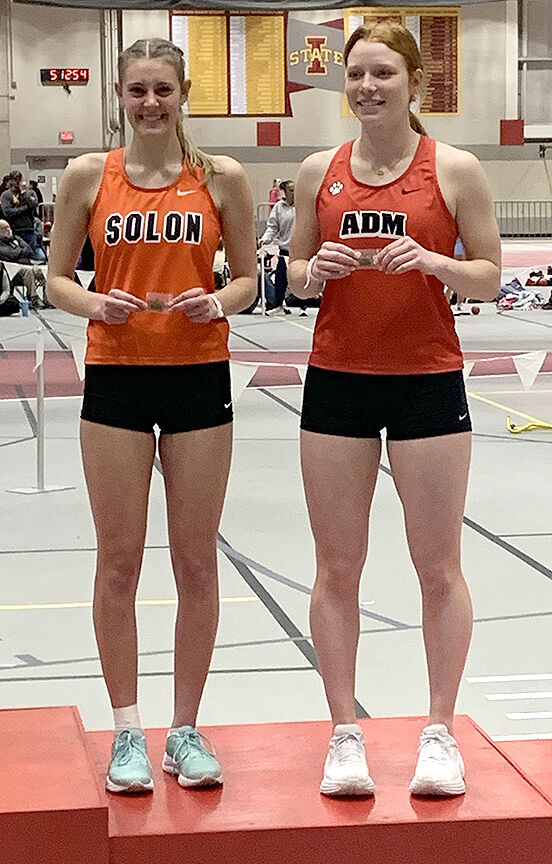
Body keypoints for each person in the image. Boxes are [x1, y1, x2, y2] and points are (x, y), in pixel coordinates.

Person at [288, 21, 500, 798]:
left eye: (382, 73)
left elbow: (487, 278)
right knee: (337, 567)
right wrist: (316, 269)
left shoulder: (457, 169)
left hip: (426, 380)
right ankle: (345, 733)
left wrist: (436, 260)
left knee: (437, 567)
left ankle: (440, 734)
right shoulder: (320, 170)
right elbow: (297, 274)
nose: (367, 87)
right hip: (337, 379)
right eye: (356, 75)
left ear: (413, 83)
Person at [46, 37, 257, 795]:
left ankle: (185, 730)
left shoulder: (222, 177)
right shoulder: (85, 176)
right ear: (119, 95)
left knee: (196, 561)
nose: (150, 104)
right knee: (119, 561)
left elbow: (248, 285)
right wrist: (97, 301)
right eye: (136, 91)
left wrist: (217, 299)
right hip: (117, 381)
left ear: (183, 91)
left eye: (162, 90)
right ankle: (128, 730)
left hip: (199, 377)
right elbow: (56, 282)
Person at [259, 180, 296, 313]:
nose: (294, 193)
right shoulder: (278, 207)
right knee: (281, 278)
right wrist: (265, 239)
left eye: (295, 189)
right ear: (284, 192)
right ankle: (278, 305)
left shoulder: (302, 206)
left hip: (300, 250)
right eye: (291, 190)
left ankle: (303, 306)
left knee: (301, 277)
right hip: (284, 250)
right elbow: (272, 227)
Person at [0, 219, 49, 307]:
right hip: (11, 269)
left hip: (24, 264)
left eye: (9, 227)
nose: (8, 230)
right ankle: (34, 297)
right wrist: (20, 252)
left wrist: (17, 252)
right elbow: (8, 254)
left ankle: (48, 297)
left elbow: (29, 250)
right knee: (28, 271)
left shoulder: (15, 238)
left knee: (44, 270)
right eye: (5, 228)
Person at [0, 170, 46, 262]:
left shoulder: (31, 193)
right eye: (15, 179)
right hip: (15, 230)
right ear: (11, 181)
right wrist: (25, 208)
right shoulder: (6, 195)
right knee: (18, 257)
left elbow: (33, 206)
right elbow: (8, 212)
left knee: (35, 256)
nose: (17, 182)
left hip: (29, 229)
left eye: (19, 179)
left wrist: (24, 193)